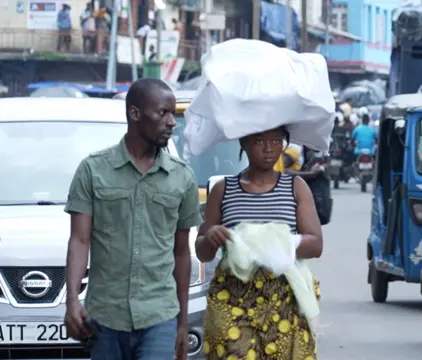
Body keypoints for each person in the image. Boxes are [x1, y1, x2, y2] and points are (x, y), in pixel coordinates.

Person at [63, 78, 203, 360]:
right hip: (105, 317)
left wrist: (182, 323)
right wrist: (71, 300)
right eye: (162, 113)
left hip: (159, 315)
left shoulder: (182, 177)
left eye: (172, 114)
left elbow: (181, 254)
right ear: (135, 114)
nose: (171, 122)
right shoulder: (93, 170)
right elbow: (79, 240)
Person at [195, 126, 322, 360]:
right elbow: (202, 251)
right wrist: (211, 236)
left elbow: (315, 245)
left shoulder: (296, 188)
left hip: (285, 298)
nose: (268, 149)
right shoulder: (223, 190)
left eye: (275, 141)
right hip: (233, 297)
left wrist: (275, 244)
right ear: (243, 143)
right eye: (259, 141)